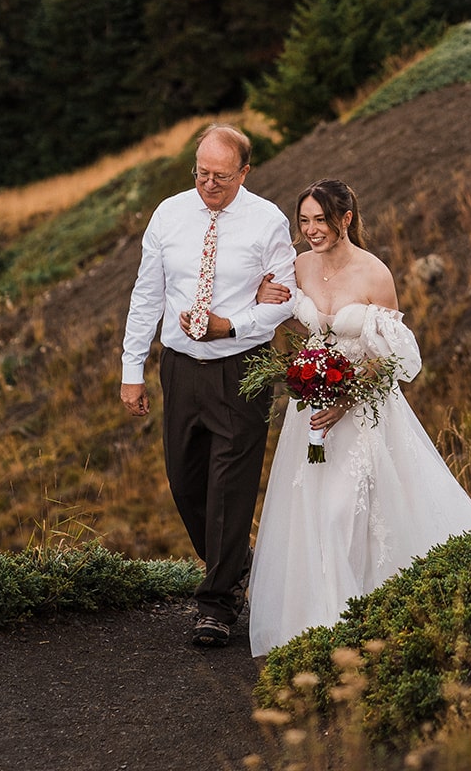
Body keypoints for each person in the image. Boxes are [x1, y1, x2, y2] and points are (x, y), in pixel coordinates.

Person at [247, 178, 471, 658]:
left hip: (363, 411)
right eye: (305, 221)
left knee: (347, 512)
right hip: (312, 410)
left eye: (321, 220)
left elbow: (392, 357)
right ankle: (320, 625)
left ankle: (361, 618)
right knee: (313, 510)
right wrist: (272, 307)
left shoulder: (375, 274)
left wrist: (347, 399)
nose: (311, 230)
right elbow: (303, 325)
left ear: (346, 219)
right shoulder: (298, 267)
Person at [120, 123, 296, 649]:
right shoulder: (168, 214)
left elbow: (284, 298)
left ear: (245, 171)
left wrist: (235, 324)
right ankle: (236, 562)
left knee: (231, 485)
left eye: (221, 175)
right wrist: (133, 369)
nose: (209, 183)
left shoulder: (267, 221)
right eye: (201, 172)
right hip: (179, 367)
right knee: (185, 480)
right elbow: (146, 295)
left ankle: (216, 604)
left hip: (241, 369)